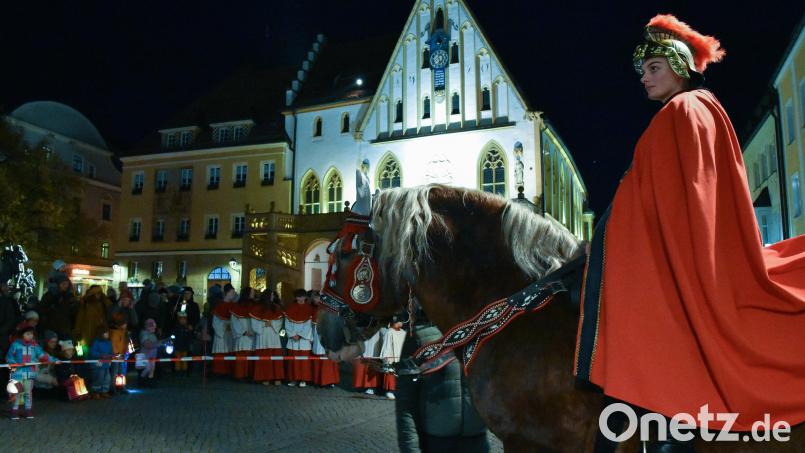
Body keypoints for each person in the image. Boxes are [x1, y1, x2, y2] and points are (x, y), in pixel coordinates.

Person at [574, 14, 805, 447]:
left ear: (680, 66)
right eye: (642, 71)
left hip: (682, 262)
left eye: (654, 68)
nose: (644, 78)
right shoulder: (696, 110)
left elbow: (687, 203)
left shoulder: (684, 111)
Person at [395, 314, 490, 452]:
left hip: (478, 442)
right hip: (436, 443)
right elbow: (406, 404)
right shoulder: (419, 337)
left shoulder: (484, 333)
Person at [6, 323, 54, 419]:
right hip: (17, 374)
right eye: (28, 334)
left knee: (28, 392)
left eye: (31, 334)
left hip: (29, 373)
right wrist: (13, 363)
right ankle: (14, 411)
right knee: (16, 392)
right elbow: (9, 357)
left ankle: (28, 410)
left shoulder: (35, 346)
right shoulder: (15, 345)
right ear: (22, 334)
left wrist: (54, 360)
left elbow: (42, 355)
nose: (30, 336)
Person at [250, 290, 285, 386]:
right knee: (264, 358)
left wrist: (272, 323)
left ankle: (277, 378)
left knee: (276, 358)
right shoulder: (257, 308)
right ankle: (265, 377)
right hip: (263, 335)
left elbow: (279, 321)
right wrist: (264, 324)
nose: (273, 297)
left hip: (274, 335)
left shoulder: (276, 308)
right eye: (272, 295)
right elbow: (254, 323)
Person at [309, 291, 340, 388]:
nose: (315, 300)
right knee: (320, 358)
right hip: (318, 336)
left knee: (328, 360)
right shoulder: (315, 309)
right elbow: (312, 325)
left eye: (317, 298)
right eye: (314, 298)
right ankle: (319, 380)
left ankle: (329, 380)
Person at [284, 289, 314, 387]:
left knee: (304, 362)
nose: (300, 299)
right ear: (295, 297)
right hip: (293, 339)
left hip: (304, 339)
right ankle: (293, 379)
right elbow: (287, 323)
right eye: (298, 297)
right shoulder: (290, 308)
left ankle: (303, 379)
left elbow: (309, 325)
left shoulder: (309, 309)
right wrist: (293, 334)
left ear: (305, 297)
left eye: (302, 296)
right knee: (293, 361)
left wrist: (300, 335)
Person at [230, 287, 256, 379]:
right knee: (241, 355)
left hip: (252, 335)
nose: (254, 294)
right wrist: (243, 332)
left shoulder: (255, 306)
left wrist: (254, 330)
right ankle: (240, 375)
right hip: (242, 336)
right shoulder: (237, 306)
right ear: (247, 293)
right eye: (252, 292)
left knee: (251, 355)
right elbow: (234, 321)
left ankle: (249, 375)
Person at [211, 286, 236, 376]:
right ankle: (219, 372)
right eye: (232, 292)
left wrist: (232, 325)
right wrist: (225, 326)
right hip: (221, 333)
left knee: (230, 351)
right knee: (221, 350)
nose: (234, 294)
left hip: (231, 333)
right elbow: (215, 322)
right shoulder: (219, 305)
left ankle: (229, 371)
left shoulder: (234, 306)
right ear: (227, 293)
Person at [109, 311, 130, 394]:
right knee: (116, 371)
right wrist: (117, 354)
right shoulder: (115, 333)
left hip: (121, 354)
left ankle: (120, 386)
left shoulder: (122, 331)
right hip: (117, 355)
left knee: (121, 371)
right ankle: (113, 388)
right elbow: (114, 345)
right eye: (125, 323)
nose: (126, 325)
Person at [89, 326, 113, 399]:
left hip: (106, 364)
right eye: (105, 333)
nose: (107, 334)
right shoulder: (96, 342)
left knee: (107, 378)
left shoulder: (109, 342)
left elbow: (110, 352)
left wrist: (112, 356)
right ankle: (95, 392)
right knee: (99, 378)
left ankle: (104, 391)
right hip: (98, 364)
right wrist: (101, 355)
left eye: (107, 332)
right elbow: (92, 353)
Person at [171, 311, 194, 376]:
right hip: (177, 346)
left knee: (185, 359)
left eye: (184, 319)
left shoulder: (188, 327)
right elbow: (173, 335)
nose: (183, 320)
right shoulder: (176, 327)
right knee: (177, 360)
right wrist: (172, 341)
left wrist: (191, 331)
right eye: (181, 319)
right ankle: (177, 371)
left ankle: (184, 371)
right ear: (178, 320)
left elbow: (190, 337)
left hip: (185, 347)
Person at [138, 318, 159, 386]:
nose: (154, 328)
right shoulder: (144, 333)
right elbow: (147, 344)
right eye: (152, 326)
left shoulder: (152, 334)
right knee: (147, 368)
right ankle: (142, 381)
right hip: (145, 356)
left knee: (151, 369)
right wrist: (158, 344)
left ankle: (150, 382)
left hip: (151, 356)